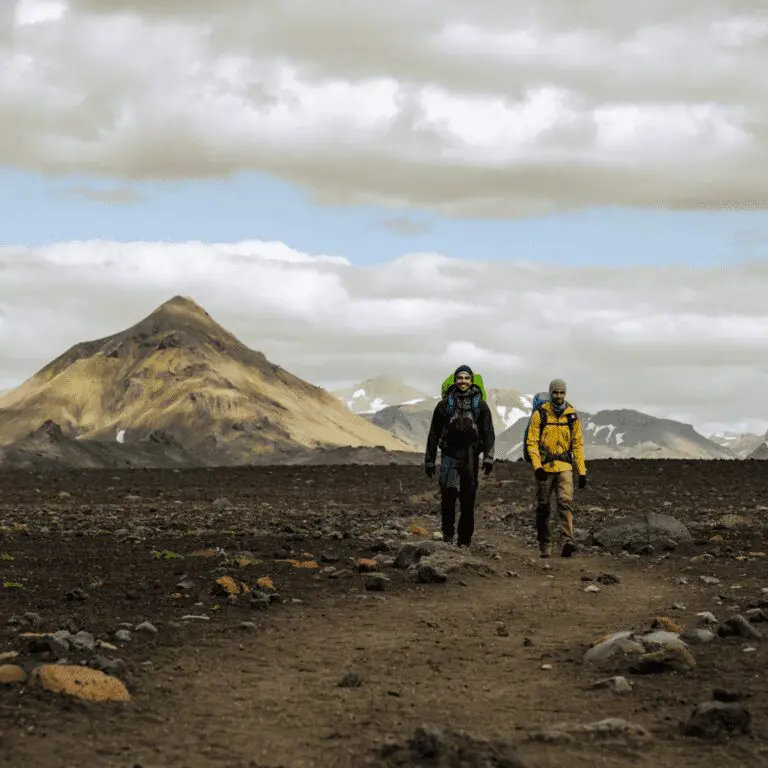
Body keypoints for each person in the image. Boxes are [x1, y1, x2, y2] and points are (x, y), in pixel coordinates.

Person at [424, 365, 495, 547]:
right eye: (460, 378)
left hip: (471, 456)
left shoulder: (480, 405)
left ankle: (464, 541)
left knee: (468, 499)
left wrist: (488, 457)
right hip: (450, 454)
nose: (463, 381)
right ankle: (448, 535)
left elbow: (488, 432)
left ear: (472, 381)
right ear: (455, 380)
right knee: (448, 496)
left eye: (466, 378)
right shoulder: (444, 405)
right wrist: (429, 460)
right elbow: (434, 433)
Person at [525, 378, 587, 558]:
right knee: (543, 507)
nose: (559, 396)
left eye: (561, 393)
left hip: (565, 466)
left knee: (565, 502)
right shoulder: (540, 414)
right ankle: (545, 545)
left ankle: (567, 540)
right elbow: (532, 442)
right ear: (550, 393)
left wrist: (581, 471)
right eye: (555, 392)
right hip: (545, 467)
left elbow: (577, 444)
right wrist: (537, 467)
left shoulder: (571, 415)